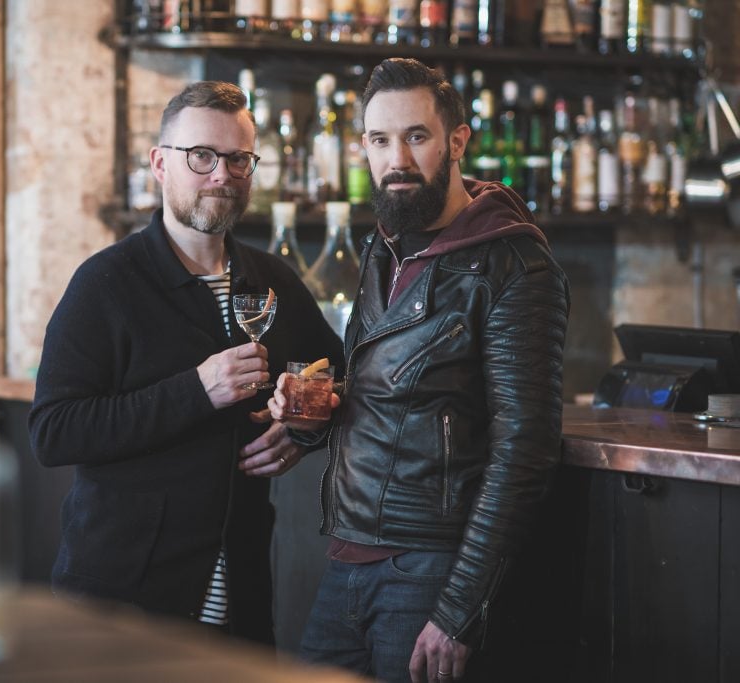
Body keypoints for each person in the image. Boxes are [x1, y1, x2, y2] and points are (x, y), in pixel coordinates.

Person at [268, 58, 570, 682]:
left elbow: (526, 448)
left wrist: (460, 608)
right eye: (380, 140)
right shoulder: (385, 245)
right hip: (346, 559)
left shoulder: (514, 263)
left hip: (430, 570)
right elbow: (390, 392)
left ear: (457, 141)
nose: (396, 160)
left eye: (416, 137)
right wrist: (313, 414)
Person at [28, 80, 343, 645]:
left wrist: (304, 431)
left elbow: (339, 376)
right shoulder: (106, 283)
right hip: (122, 606)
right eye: (201, 156)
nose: (222, 174)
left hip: (242, 601)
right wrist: (196, 389)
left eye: (239, 159)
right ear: (160, 164)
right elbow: (54, 432)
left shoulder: (273, 281)